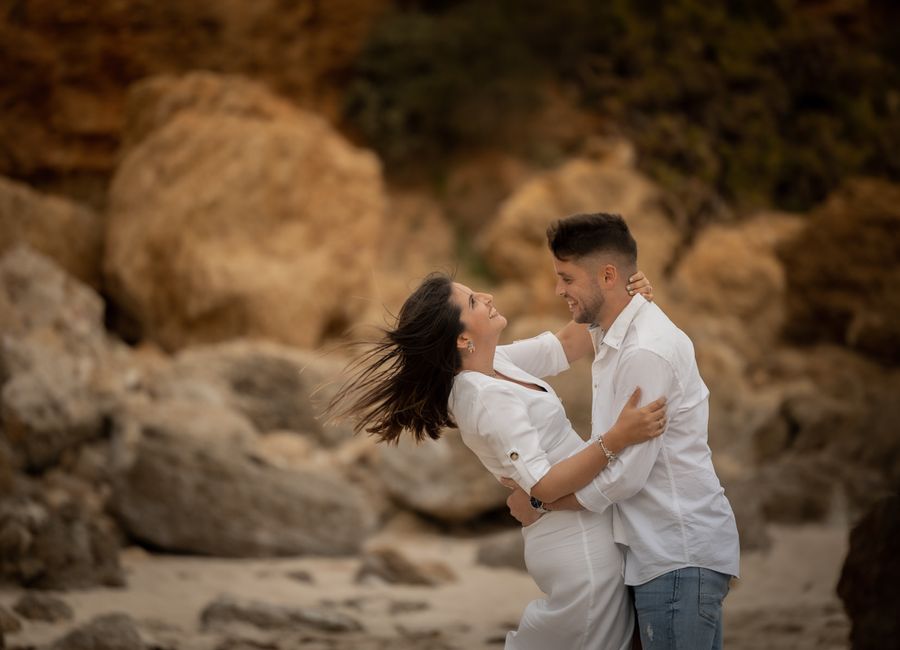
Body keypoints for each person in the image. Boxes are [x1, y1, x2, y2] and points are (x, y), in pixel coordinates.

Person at [329, 270, 667, 649]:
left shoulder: (495, 363)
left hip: (585, 521)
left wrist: (620, 300)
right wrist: (616, 439)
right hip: (577, 543)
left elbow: (567, 344)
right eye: (473, 301)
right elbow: (541, 485)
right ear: (462, 338)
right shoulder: (483, 397)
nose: (487, 296)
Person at [505, 213, 740, 650]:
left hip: (675, 555)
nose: (558, 290)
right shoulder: (612, 333)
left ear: (608, 275)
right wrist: (464, 358)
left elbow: (625, 477)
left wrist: (542, 502)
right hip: (653, 557)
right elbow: (549, 352)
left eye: (566, 278)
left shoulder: (643, 350)